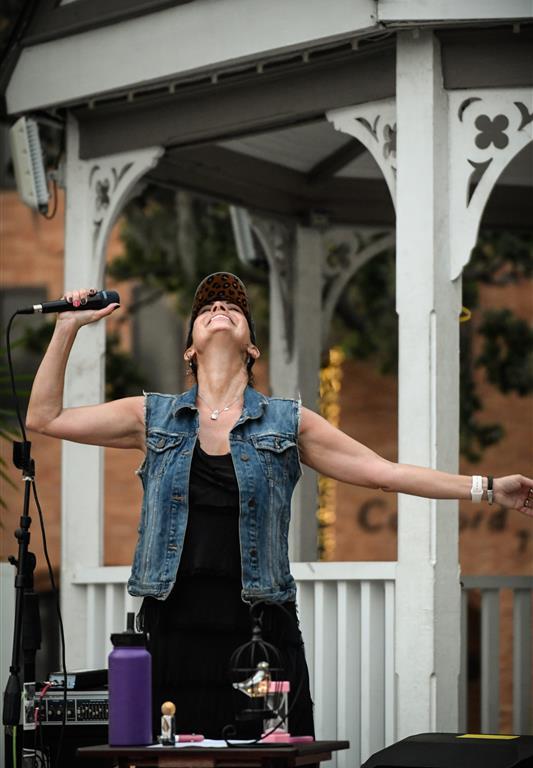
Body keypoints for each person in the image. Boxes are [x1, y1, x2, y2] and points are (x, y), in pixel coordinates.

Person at [26, 272, 533, 741]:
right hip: (173, 629)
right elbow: (44, 417)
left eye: (232, 306)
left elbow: (384, 472)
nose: (219, 306)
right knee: (172, 756)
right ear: (188, 351)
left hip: (260, 633)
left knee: (269, 758)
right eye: (206, 306)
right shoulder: (152, 416)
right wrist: (68, 327)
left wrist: (487, 487)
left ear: (252, 346)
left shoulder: (287, 423)